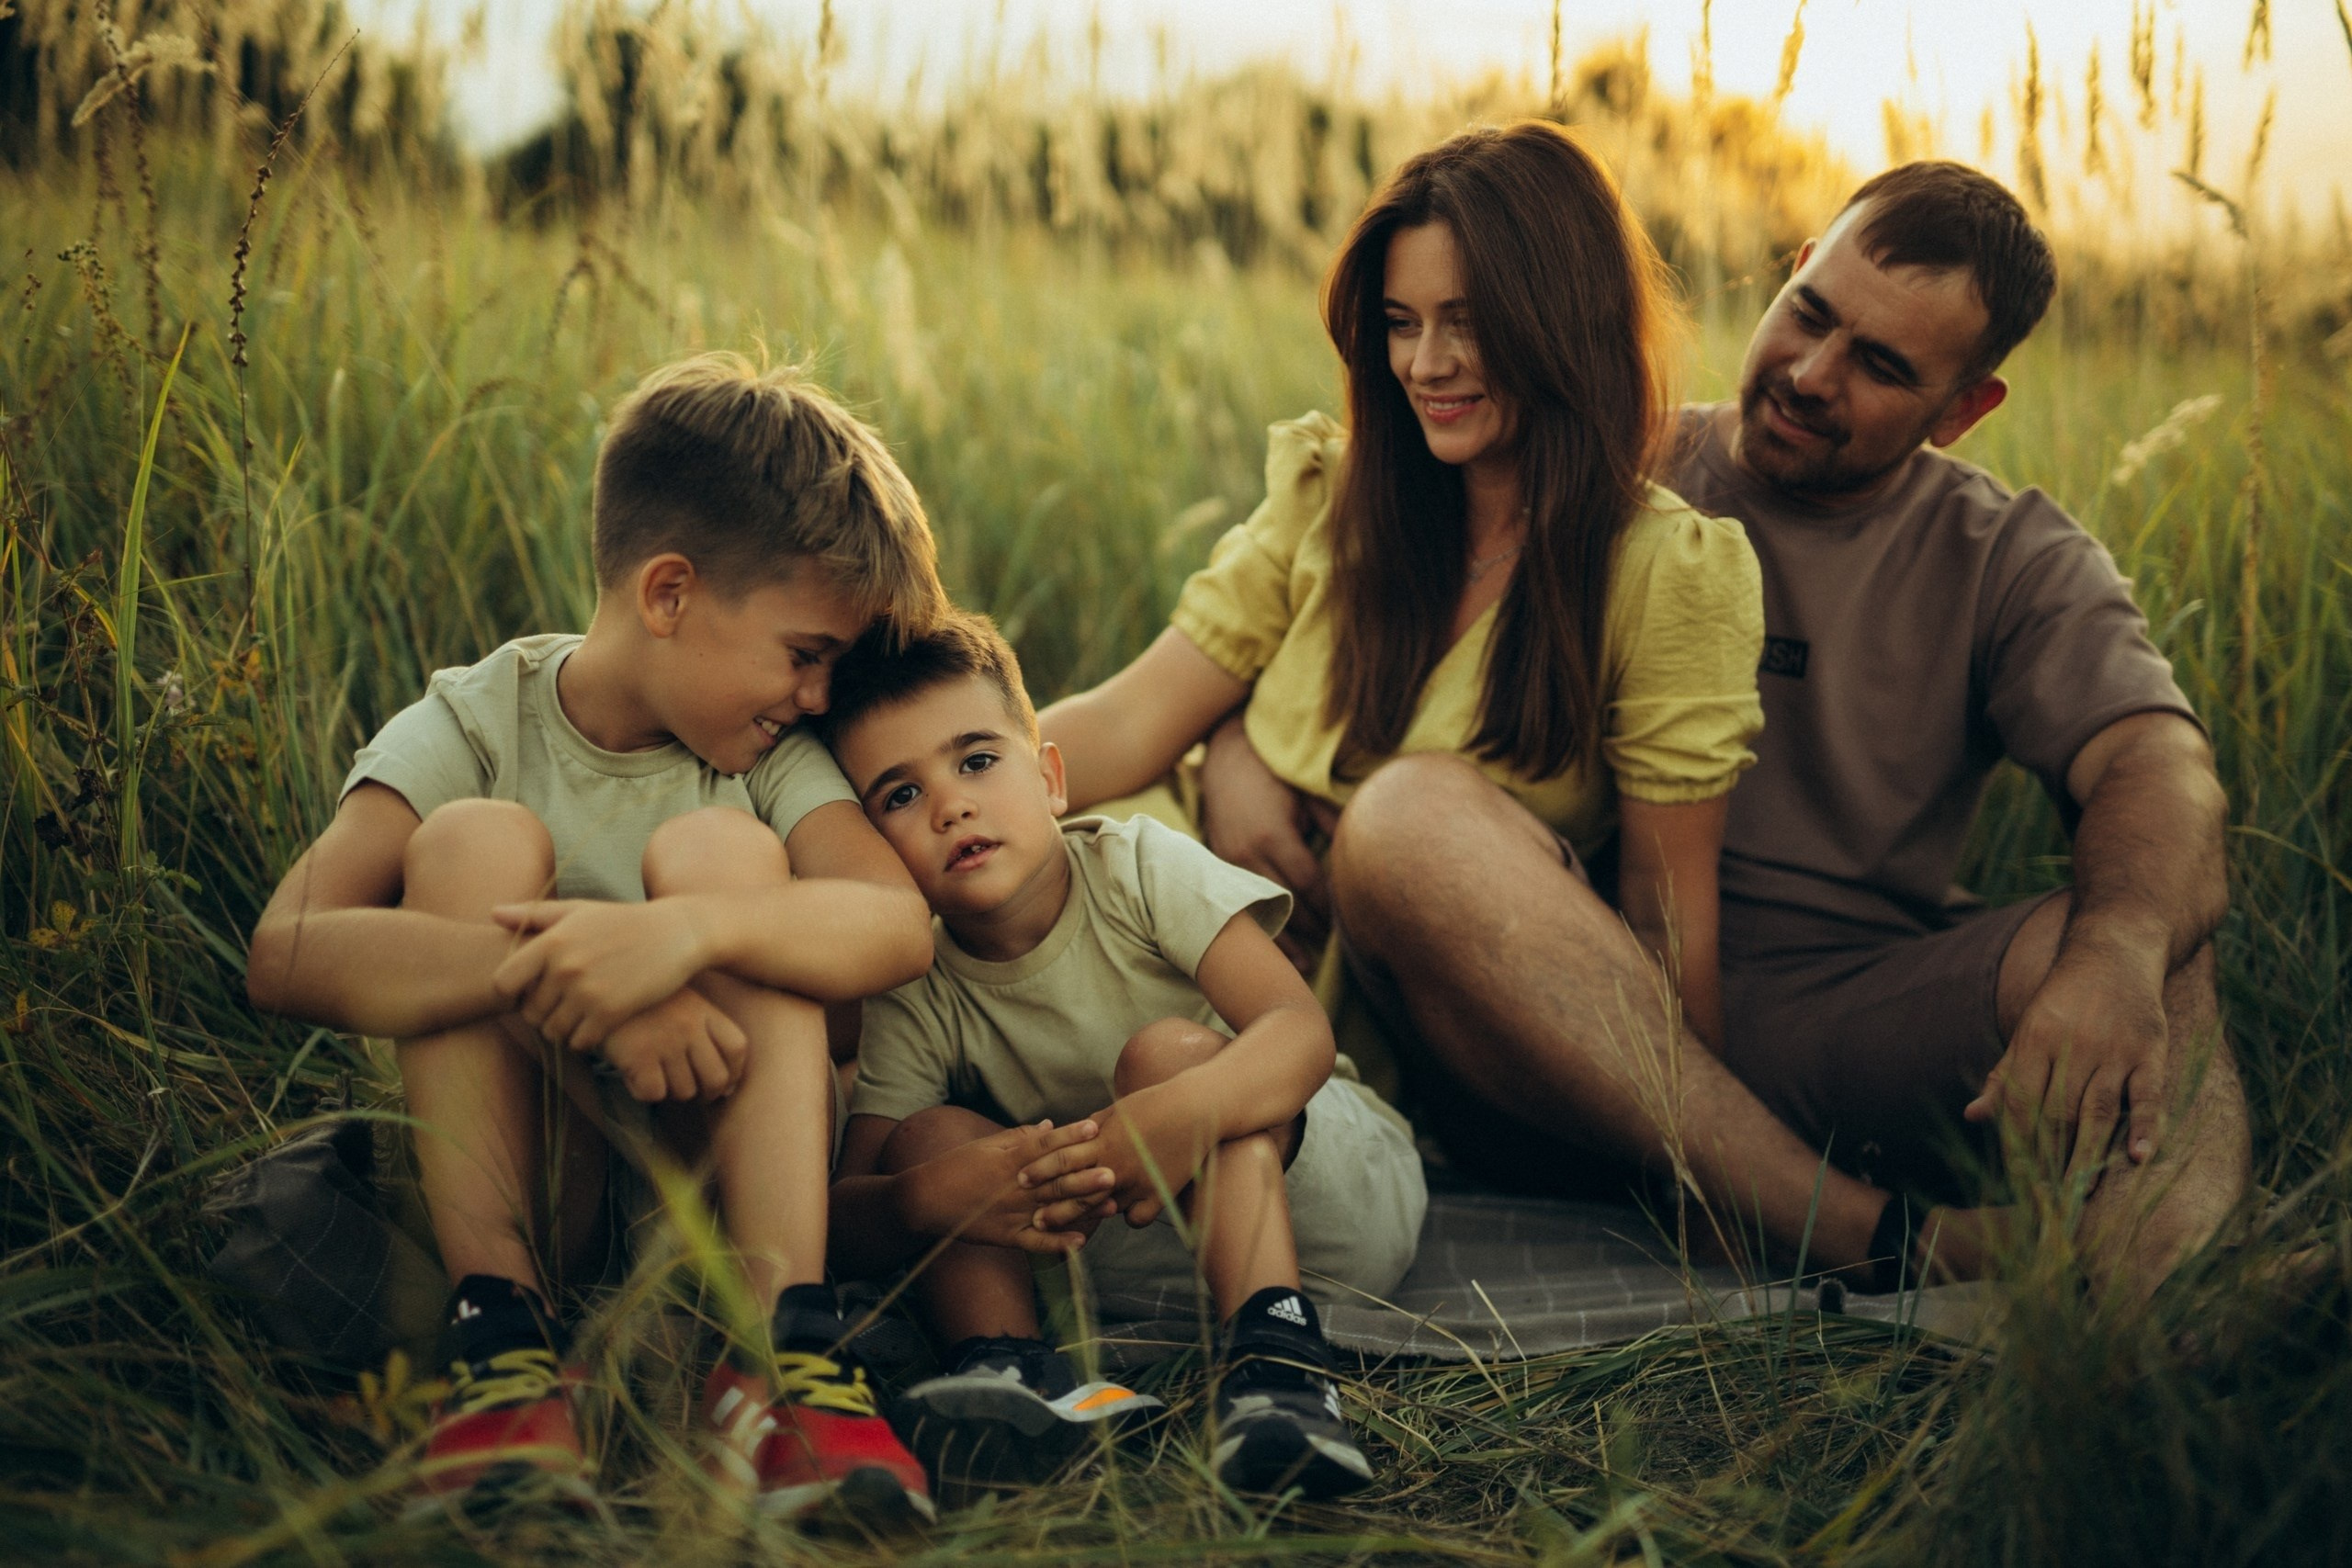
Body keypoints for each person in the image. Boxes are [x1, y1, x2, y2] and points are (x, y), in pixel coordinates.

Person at [1206, 161, 2249, 1300]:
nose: (1810, 373)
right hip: (1557, 1019)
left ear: (1961, 410)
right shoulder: (1605, 457)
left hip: (1849, 1022)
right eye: (1810, 314)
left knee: (2154, 940)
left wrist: (2115, 956)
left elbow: (2159, 767)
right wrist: (1238, 751)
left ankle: (2160, 1308)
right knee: (1407, 820)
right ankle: (1851, 1236)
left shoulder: (2006, 559)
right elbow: (1344, 592)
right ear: (1793, 272)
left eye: (1881, 365)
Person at [243, 354, 949, 1525]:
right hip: (543, 1186)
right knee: (471, 841)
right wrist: (576, 982)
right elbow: (290, 946)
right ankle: (501, 1351)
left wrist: (682, 937)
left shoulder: (774, 760)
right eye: (805, 653)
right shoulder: (475, 720)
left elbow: (892, 926)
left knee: (726, 866)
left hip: (716, 1183)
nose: (820, 697)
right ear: (667, 594)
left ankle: (779, 1357)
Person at [1037, 121, 1767, 1143]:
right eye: (1399, 322)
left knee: (1405, 817)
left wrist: (1700, 1161)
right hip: (1171, 923)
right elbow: (1130, 716)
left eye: (1465, 322)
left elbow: (1665, 916)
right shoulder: (1335, 491)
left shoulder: (1666, 570)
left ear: (1560, 318)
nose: (1425, 364)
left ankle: (1839, 1226)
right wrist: (935, 779)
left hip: (1381, 1032)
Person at [821, 611, 1427, 1500]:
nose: (950, 803)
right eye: (899, 796)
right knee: (930, 1140)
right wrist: (929, 1194)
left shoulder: (1136, 869)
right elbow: (844, 1219)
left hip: (1320, 1194)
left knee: (1169, 1054)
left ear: (1051, 776)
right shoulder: (918, 984)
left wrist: (1184, 1107)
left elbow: (1298, 1031)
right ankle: (1013, 1375)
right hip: (1133, 1257)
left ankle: (1280, 1372)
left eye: (977, 760)